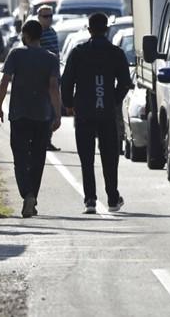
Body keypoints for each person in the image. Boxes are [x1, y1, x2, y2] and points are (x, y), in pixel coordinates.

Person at [61, 13, 133, 214]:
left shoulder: (79, 52)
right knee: (110, 157)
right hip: (107, 112)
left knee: (86, 158)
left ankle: (90, 200)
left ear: (89, 29)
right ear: (107, 29)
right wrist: (114, 99)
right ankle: (112, 198)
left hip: (84, 111)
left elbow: (67, 81)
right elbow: (125, 82)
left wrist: (68, 104)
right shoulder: (115, 53)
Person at [0, 20, 61, 218]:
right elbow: (53, 88)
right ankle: (33, 195)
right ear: (40, 35)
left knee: (20, 157)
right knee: (38, 158)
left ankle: (27, 194)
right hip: (42, 115)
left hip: (19, 114)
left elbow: (4, 81)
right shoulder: (50, 58)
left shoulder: (16, 54)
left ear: (25, 35)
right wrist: (57, 114)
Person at [37, 5, 61, 152]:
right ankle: (42, 139)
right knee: (44, 108)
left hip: (54, 73)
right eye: (45, 16)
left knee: (53, 107)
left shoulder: (52, 32)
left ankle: (47, 139)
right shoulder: (37, 33)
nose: (48, 19)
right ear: (39, 17)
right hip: (42, 75)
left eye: (50, 16)